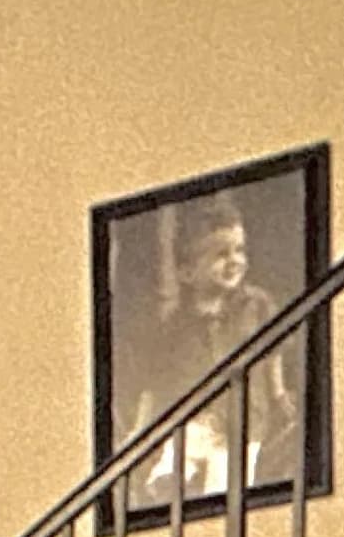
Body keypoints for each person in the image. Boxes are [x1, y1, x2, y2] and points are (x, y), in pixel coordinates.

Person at [118, 189, 305, 510]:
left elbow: (272, 350)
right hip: (198, 420)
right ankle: (166, 481)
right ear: (187, 272)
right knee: (176, 458)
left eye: (239, 250)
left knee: (223, 486)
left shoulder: (256, 305)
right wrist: (139, 426)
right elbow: (156, 380)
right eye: (221, 255)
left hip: (244, 421)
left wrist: (277, 393)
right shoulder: (177, 325)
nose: (235, 261)